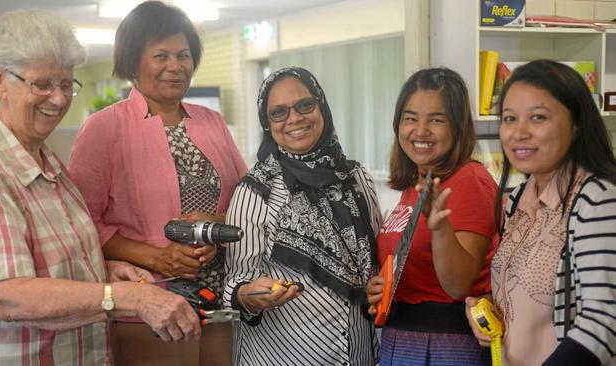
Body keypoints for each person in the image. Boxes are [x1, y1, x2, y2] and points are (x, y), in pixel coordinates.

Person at [0, 9, 201, 365]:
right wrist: (123, 297)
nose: (59, 99)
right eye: (42, 84)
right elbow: (6, 294)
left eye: (66, 85)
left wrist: (102, 272)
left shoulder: (50, 165)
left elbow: (51, 263)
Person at [68, 1, 247, 365]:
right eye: (160, 55)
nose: (175, 66)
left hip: (221, 303)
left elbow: (247, 200)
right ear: (133, 62)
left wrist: (217, 225)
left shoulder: (211, 122)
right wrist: (159, 257)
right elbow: (81, 224)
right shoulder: (104, 128)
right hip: (148, 306)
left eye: (183, 55)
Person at [223, 66, 382, 365]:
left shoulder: (355, 177)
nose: (294, 119)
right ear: (267, 124)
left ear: (321, 107)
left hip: (360, 352)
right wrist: (248, 295)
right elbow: (234, 283)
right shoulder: (257, 190)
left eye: (305, 105)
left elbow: (375, 262)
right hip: (284, 356)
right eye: (279, 113)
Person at [465, 60, 616, 365]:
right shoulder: (520, 197)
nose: (519, 132)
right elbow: (531, 296)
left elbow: (604, 320)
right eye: (509, 118)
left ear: (576, 125)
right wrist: (490, 306)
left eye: (537, 117)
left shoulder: (598, 200)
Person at [366, 68, 497, 365]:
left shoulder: (469, 180)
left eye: (436, 120)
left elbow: (458, 284)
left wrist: (441, 230)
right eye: (410, 118)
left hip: (446, 344)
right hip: (401, 337)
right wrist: (382, 286)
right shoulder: (419, 185)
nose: (420, 130)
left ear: (457, 127)